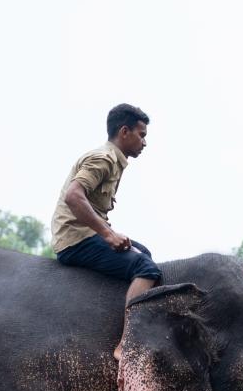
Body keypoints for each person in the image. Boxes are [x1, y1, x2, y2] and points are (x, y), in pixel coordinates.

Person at [53, 103, 162, 311]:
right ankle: (128, 340)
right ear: (124, 132)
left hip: (84, 235)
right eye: (141, 135)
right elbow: (73, 196)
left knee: (144, 253)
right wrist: (109, 235)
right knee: (146, 268)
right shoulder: (103, 159)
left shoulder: (114, 160)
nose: (145, 142)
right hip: (76, 240)